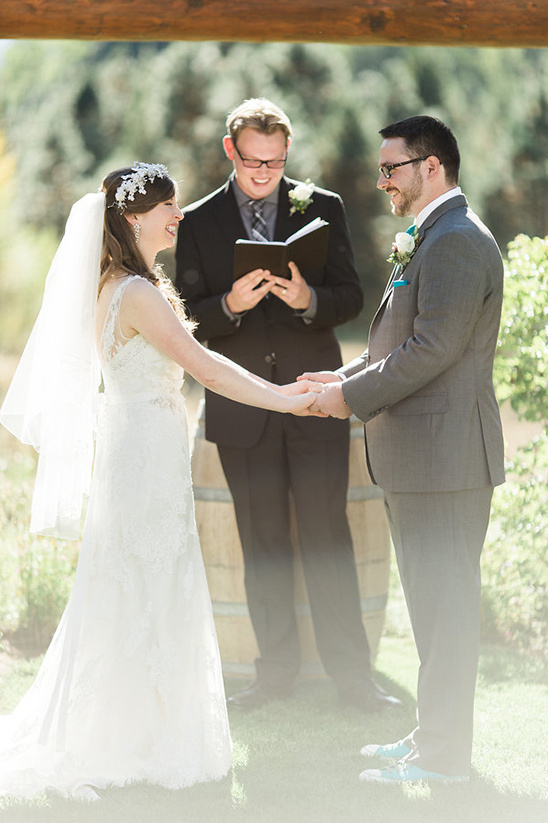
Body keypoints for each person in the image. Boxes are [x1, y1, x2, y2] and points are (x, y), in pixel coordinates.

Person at [0, 163, 319, 801]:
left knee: (139, 580)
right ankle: (132, 737)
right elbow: (206, 367)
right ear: (133, 217)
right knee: (147, 578)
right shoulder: (136, 293)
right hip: (142, 457)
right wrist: (285, 399)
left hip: (141, 449)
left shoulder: (124, 283)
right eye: (168, 206)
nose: (178, 215)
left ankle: (140, 727)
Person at [175, 97, 400, 713]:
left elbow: (353, 296)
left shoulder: (322, 207)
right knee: (263, 543)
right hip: (241, 409)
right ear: (230, 150)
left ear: (286, 153)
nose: (262, 174)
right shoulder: (195, 222)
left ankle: (354, 679)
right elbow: (181, 321)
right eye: (251, 162)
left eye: (273, 164)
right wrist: (230, 307)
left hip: (312, 401)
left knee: (329, 539)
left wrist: (307, 298)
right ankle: (272, 675)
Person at [301, 116, 505, 783]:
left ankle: (445, 762)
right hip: (424, 459)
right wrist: (344, 377)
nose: (382, 179)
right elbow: (399, 341)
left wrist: (349, 400)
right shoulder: (434, 235)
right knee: (431, 613)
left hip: (446, 462)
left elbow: (433, 350)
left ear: (432, 167)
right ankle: (430, 738)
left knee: (447, 617)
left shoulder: (455, 242)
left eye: (392, 168)